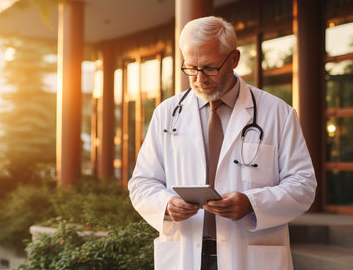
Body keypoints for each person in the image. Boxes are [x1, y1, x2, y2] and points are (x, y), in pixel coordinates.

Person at [128, 16, 317, 270]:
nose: (199, 78)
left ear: (234, 59)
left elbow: (303, 186)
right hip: (185, 254)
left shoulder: (278, 114)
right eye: (191, 68)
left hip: (250, 257)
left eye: (209, 68)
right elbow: (142, 182)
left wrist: (251, 203)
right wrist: (165, 204)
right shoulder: (167, 113)